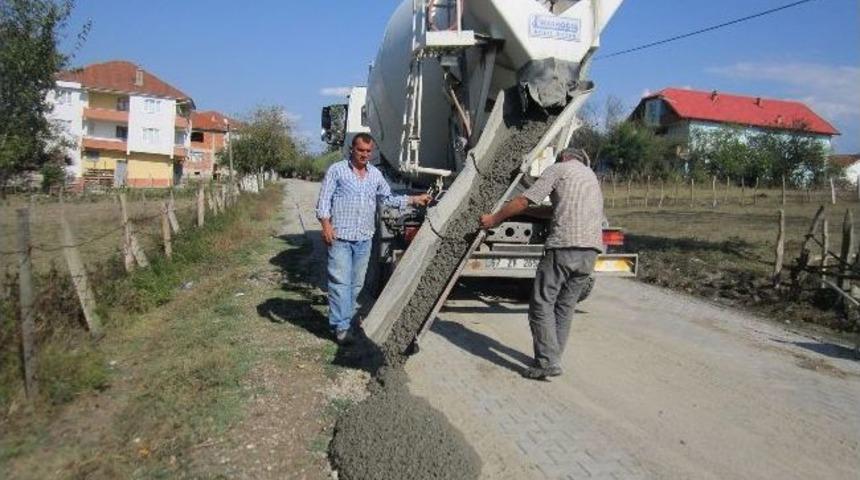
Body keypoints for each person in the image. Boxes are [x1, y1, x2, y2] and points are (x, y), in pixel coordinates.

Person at [479, 148, 604, 380]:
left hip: (565, 247)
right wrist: (533, 212)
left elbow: (523, 200)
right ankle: (552, 359)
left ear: (563, 157)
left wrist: (494, 218)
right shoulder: (589, 176)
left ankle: (547, 361)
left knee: (541, 303)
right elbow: (557, 208)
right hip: (591, 250)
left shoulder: (558, 169)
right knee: (565, 306)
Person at [316, 133, 431, 345]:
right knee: (340, 282)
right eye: (361, 150)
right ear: (352, 149)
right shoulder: (337, 170)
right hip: (340, 237)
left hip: (364, 239)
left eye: (368, 151)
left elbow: (388, 198)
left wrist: (413, 199)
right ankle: (341, 327)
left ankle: (348, 320)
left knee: (356, 284)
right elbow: (324, 200)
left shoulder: (375, 175)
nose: (364, 155)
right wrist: (326, 226)